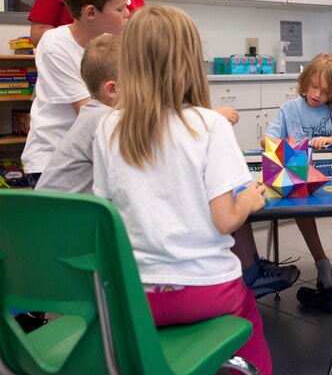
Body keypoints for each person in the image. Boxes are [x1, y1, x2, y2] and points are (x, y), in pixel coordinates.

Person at [34, 33, 299, 300]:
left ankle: (249, 269)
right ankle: (249, 273)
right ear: (112, 89)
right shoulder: (107, 121)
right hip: (72, 235)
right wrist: (209, 118)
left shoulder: (101, 116)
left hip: (62, 227)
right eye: (141, 80)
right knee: (222, 197)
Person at [92, 5, 272, 375]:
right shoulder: (209, 125)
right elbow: (224, 220)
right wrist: (248, 200)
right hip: (207, 291)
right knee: (251, 331)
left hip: (133, 296)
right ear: (191, 60)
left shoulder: (109, 127)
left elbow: (106, 217)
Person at [261, 53, 332, 313]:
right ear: (305, 80)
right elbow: (266, 140)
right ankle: (321, 262)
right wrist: (283, 146)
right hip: (300, 176)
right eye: (313, 86)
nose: (316, 94)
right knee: (299, 202)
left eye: (325, 91)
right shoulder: (289, 109)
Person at [21, 0, 130, 187]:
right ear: (91, 12)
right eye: (120, 9)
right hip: (52, 163)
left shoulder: (110, 42)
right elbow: (88, 113)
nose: (127, 13)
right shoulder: (55, 45)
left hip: (91, 154)